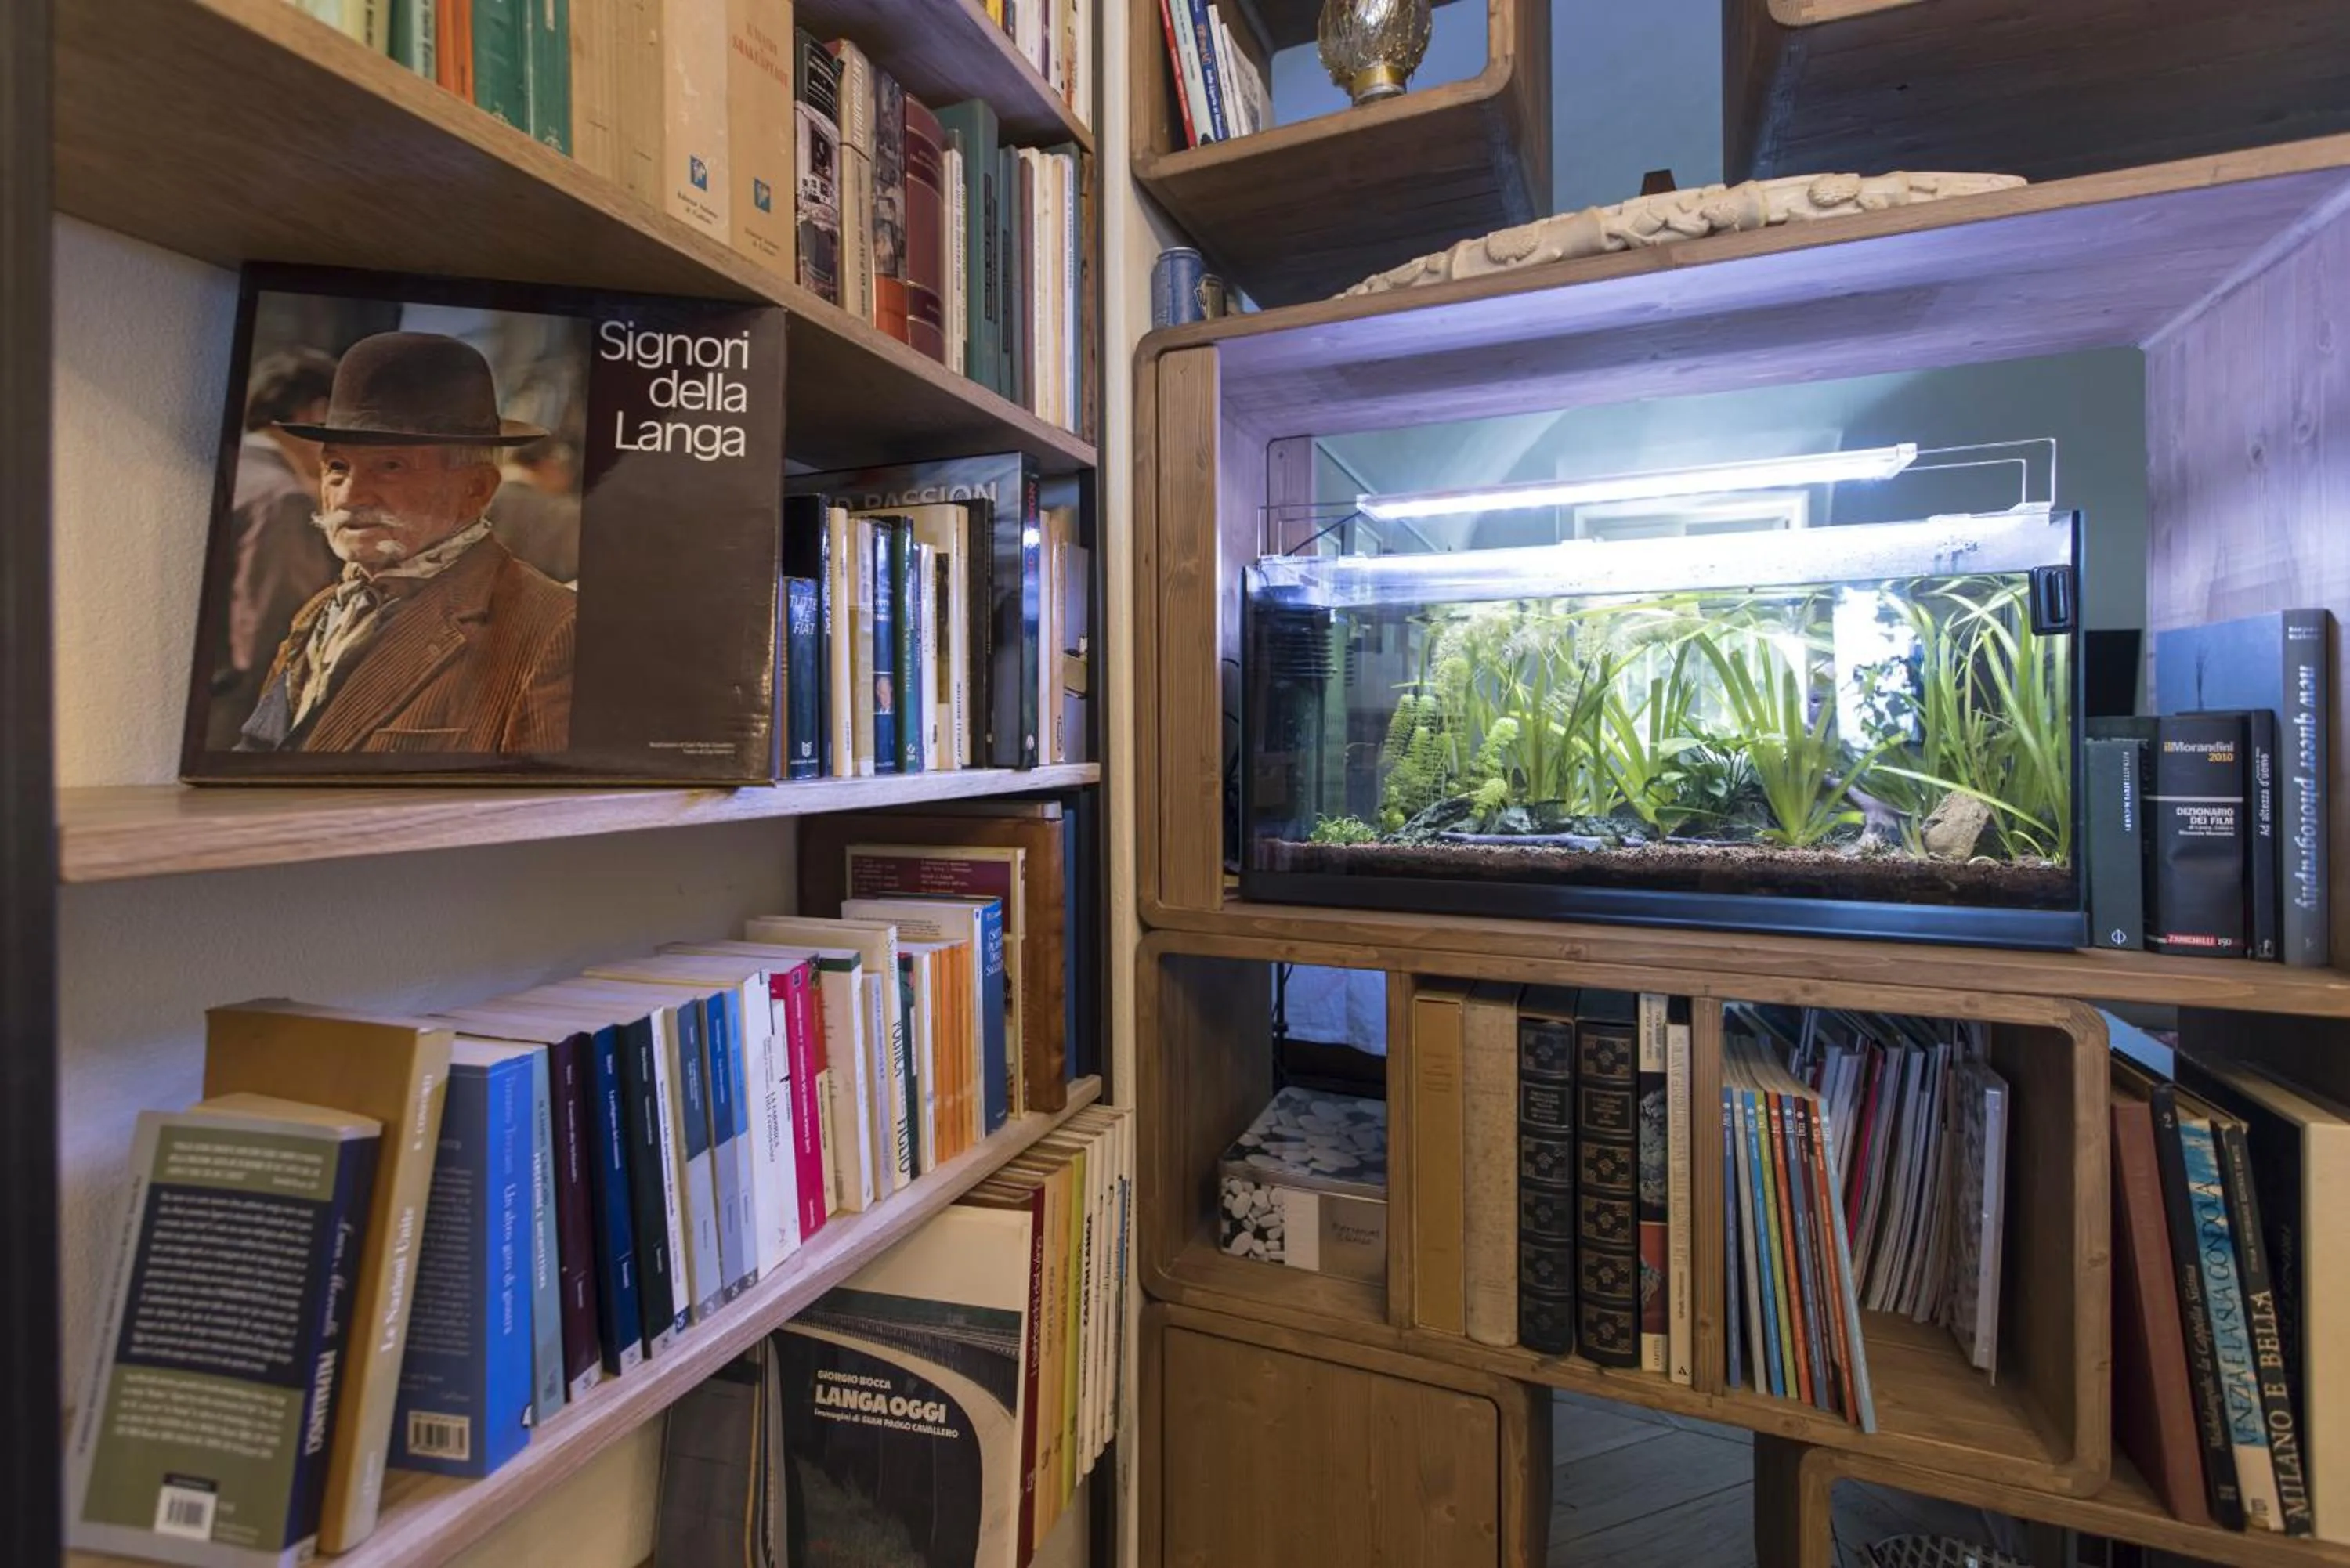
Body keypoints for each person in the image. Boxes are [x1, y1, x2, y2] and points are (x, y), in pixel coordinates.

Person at [237, 331, 577, 755]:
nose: (349, 495)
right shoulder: (321, 611)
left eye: (390, 466)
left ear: (476, 489)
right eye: (337, 466)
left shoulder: (550, 627)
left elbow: (539, 812)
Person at [206, 349, 342, 749]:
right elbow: (280, 633)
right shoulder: (282, 497)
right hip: (233, 723)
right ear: (315, 411)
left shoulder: (224, 470)